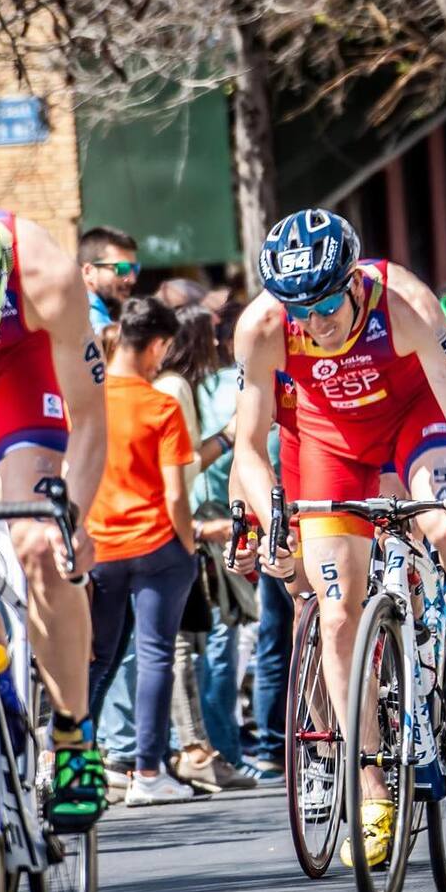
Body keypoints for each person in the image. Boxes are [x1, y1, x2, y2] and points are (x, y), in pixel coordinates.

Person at [234, 208, 446, 867]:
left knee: (443, 523)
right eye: (301, 306)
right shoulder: (264, 327)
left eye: (328, 301)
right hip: (334, 445)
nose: (318, 320)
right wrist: (267, 520)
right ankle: (370, 788)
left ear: (353, 279)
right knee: (335, 616)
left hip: (417, 422)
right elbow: (248, 445)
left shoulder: (406, 302)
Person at [0, 208, 108, 831]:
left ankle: (72, 735)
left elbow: (89, 419)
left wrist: (73, 518)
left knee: (39, 541)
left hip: (22, 370)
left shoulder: (48, 274)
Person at [86, 297, 199, 807]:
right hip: (157, 543)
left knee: (95, 658)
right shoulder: (161, 405)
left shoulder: (85, 401)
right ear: (155, 344)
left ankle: (71, 761)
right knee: (155, 656)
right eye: (164, 349)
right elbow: (176, 495)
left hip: (100, 544)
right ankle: (148, 775)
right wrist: (190, 542)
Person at [154, 305, 256, 792]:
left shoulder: (176, 385)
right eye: (213, 335)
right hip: (181, 526)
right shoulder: (177, 387)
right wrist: (229, 437)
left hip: (179, 523)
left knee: (185, 646)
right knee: (188, 646)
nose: (219, 344)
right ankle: (193, 752)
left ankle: (195, 750)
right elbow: (183, 468)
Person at [78, 225, 140, 331]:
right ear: (89, 272)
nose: (132, 279)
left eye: (135, 268)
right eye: (122, 268)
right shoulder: (92, 326)